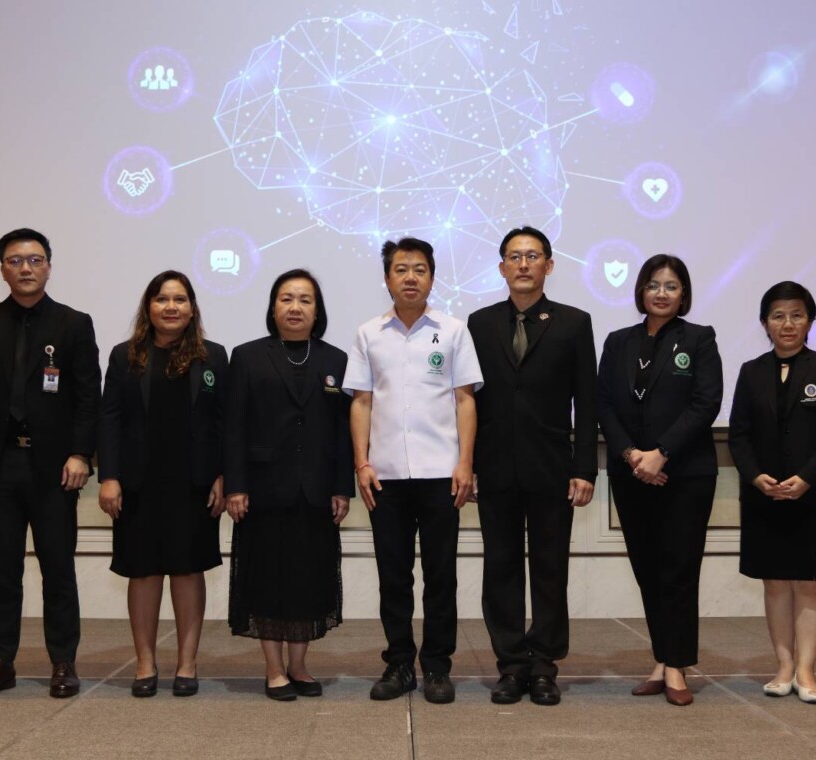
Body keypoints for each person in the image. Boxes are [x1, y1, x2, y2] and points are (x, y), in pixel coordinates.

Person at [0, 228, 100, 700]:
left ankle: (63, 661)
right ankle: (1, 661)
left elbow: (88, 398)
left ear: (49, 267)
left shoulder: (74, 323)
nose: (26, 268)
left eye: (35, 260)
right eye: (15, 261)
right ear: (2, 270)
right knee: (2, 573)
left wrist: (81, 453)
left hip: (54, 469)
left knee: (58, 569)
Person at [343, 237, 483, 704]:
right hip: (384, 475)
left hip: (442, 473)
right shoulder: (369, 333)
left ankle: (438, 667)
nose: (410, 278)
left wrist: (465, 462)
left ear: (432, 278)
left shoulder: (454, 331)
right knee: (393, 576)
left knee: (441, 576)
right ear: (387, 278)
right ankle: (399, 664)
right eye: (401, 269)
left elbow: (465, 400)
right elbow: (362, 402)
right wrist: (361, 463)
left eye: (419, 269)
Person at [466, 226, 596, 706]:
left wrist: (585, 468)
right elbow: (466, 401)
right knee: (499, 568)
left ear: (549, 265)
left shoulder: (574, 323)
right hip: (494, 467)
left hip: (552, 467)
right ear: (502, 267)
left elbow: (587, 401)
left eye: (533, 256)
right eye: (515, 256)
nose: (523, 264)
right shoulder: (479, 324)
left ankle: (543, 666)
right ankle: (511, 665)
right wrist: (467, 463)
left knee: (549, 569)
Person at [596, 254, 722, 706]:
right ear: (641, 291)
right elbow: (604, 403)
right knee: (648, 570)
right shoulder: (618, 341)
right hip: (631, 473)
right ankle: (663, 658)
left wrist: (661, 453)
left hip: (685, 474)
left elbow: (706, 403)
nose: (661, 293)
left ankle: (676, 664)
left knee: (679, 570)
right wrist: (632, 455)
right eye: (653, 285)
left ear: (683, 293)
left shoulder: (699, 338)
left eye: (671, 285)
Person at [225, 269, 353, 701]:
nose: (295, 307)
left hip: (317, 489)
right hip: (263, 489)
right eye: (286, 298)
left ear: (317, 311)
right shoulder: (247, 356)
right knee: (266, 577)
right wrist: (236, 485)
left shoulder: (336, 360)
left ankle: (299, 665)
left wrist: (342, 487)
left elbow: (343, 431)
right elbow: (234, 427)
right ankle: (274, 668)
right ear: (273, 307)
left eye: (305, 300)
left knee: (308, 578)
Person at [98, 270, 226, 697]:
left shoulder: (213, 356)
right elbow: (110, 419)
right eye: (162, 299)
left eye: (180, 299)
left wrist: (223, 475)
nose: (171, 307)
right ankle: (145, 663)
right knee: (143, 571)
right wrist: (109, 477)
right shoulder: (125, 355)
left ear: (192, 308)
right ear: (148, 307)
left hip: (194, 483)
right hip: (137, 483)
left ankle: (187, 663)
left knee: (188, 570)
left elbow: (224, 423)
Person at [728, 281, 816, 704]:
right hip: (765, 496)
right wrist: (755, 476)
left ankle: (807, 671)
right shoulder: (751, 371)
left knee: (811, 585)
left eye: (797, 315)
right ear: (765, 323)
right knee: (776, 584)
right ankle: (783, 667)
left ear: (810, 321)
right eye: (778, 316)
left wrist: (807, 477)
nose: (788, 324)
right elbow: (739, 434)